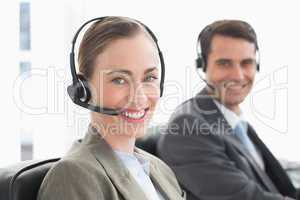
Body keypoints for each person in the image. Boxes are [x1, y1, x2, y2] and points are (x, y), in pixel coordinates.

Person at [38, 16, 185, 200]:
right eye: (119, 80)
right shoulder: (74, 175)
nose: (139, 97)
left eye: (149, 78)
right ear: (83, 89)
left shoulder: (160, 170)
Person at [157, 19, 298, 200]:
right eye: (224, 63)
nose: (238, 75)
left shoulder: (233, 120)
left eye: (246, 63)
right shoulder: (188, 127)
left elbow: (271, 182)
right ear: (203, 66)